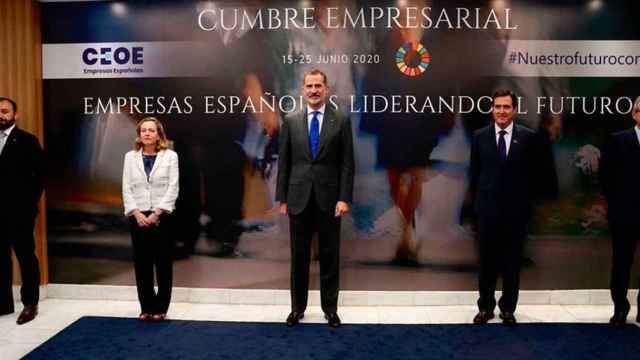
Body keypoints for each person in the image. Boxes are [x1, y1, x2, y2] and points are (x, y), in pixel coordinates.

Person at [276, 69, 354, 328]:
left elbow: (346, 164)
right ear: (302, 89)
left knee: (330, 256)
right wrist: (282, 198)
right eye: (309, 86)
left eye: (318, 85)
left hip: (330, 200)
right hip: (297, 198)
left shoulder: (341, 120)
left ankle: (330, 309)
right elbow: (284, 163)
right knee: (299, 257)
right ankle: (297, 309)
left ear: (326, 89)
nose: (313, 90)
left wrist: (344, 197)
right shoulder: (290, 119)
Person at [469, 89, 554, 326]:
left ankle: (508, 309)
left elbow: (536, 176)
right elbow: (474, 175)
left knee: (511, 264)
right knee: (486, 264)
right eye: (498, 107)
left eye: (506, 107)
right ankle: (485, 308)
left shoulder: (528, 137)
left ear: (514, 110)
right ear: (492, 109)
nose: (502, 111)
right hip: (487, 212)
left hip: (516, 214)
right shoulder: (479, 136)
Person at [122, 117, 179, 321]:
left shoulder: (170, 156)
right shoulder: (130, 157)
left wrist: (156, 213)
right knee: (142, 264)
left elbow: (173, 187)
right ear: (139, 135)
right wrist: (136, 213)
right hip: (137, 216)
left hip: (161, 217)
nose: (147, 133)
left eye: (151, 130)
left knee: (163, 263)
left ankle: (161, 308)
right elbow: (126, 187)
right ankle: (146, 307)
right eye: (143, 130)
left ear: (158, 135)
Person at [0, 97, 45, 325]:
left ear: (15, 115)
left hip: (20, 213)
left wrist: (28, 205)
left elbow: (40, 177)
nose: (1, 115)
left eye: (5, 111)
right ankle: (3, 304)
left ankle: (30, 304)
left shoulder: (27, 140)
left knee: (26, 257)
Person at [600, 96, 640, 327]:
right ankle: (620, 308)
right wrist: (616, 205)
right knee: (621, 263)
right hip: (623, 215)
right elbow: (606, 177)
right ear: (635, 114)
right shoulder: (618, 140)